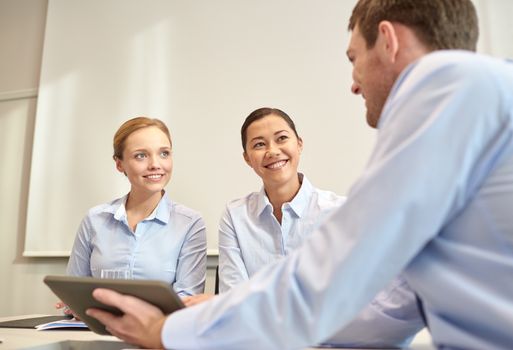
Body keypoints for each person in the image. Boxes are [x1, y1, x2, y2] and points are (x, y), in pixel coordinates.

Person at [87, 1, 513, 349]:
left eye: (353, 59)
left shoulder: (447, 86)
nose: (354, 83)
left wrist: (166, 332)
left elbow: (322, 286)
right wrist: (214, 317)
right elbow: (386, 311)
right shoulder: (479, 100)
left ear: (388, 40)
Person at [183, 107, 423, 347]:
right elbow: (232, 298)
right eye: (258, 145)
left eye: (282, 138)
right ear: (247, 158)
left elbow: (340, 305)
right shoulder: (235, 216)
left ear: (299, 144)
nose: (272, 151)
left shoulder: (340, 212)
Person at [62, 117, 207, 305]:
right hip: (96, 329)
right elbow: (73, 291)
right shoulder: (94, 219)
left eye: (164, 153)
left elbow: (187, 301)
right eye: (141, 155)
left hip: (157, 331)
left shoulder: (190, 223)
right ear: (119, 164)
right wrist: (73, 306)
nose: (155, 164)